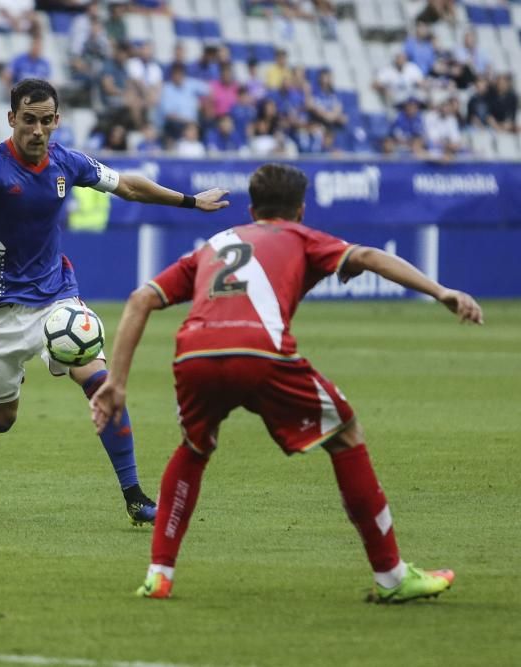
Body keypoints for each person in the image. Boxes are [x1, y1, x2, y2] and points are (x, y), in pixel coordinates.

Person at [90, 163, 483, 601]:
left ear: (253, 206)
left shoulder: (217, 243)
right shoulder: (300, 236)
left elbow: (141, 298)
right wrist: (441, 291)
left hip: (194, 356)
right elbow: (369, 256)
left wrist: (118, 382)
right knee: (346, 435)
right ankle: (392, 577)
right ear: (300, 209)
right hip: (260, 354)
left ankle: (159, 574)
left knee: (194, 448)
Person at [0, 79, 229, 525]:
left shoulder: (67, 161)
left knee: (104, 387)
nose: (38, 130)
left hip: (56, 299)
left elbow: (129, 187)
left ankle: (135, 496)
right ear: (11, 119)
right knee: (3, 416)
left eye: (47, 121)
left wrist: (189, 202)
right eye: (29, 120)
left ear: (57, 121)